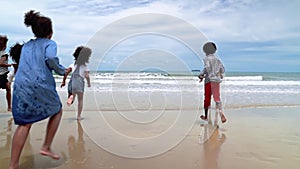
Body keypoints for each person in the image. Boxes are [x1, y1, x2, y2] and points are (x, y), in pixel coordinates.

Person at [9, 10, 71, 169]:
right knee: (57, 110)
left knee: (24, 123)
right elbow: (50, 59)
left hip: (21, 85)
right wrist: (62, 71)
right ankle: (46, 146)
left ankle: (13, 164)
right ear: (50, 32)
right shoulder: (50, 43)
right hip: (39, 84)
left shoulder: (27, 45)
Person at [198, 42, 227, 123]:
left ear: (205, 51)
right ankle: (221, 113)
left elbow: (206, 68)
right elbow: (222, 70)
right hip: (216, 81)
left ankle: (206, 116)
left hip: (209, 81)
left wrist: (201, 75)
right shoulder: (218, 59)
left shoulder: (206, 59)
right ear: (214, 50)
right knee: (217, 98)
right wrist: (219, 73)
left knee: (207, 98)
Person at [61, 46, 92, 120]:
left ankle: (71, 97)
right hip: (80, 84)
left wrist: (63, 81)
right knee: (80, 100)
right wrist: (89, 83)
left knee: (73, 95)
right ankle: (78, 116)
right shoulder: (85, 67)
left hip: (73, 84)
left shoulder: (72, 65)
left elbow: (66, 73)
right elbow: (87, 76)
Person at [0, 35, 12, 111]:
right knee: (8, 88)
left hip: (2, 75)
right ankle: (9, 107)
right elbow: (0, 63)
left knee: (7, 87)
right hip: (2, 75)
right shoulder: (4, 54)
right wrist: (9, 65)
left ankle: (9, 106)